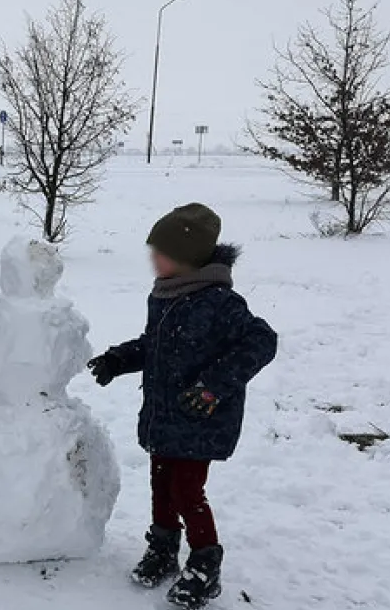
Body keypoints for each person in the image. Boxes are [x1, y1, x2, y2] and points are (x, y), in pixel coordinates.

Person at [87, 203, 277, 610]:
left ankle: (206, 565)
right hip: (164, 416)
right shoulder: (165, 295)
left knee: (187, 489)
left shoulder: (220, 302)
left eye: (162, 253)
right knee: (160, 483)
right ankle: (163, 550)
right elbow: (153, 346)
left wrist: (213, 386)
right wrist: (118, 360)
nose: (153, 259)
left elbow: (262, 341)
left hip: (200, 418)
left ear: (187, 258)